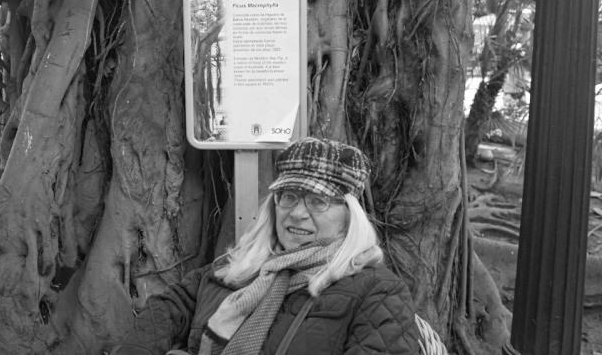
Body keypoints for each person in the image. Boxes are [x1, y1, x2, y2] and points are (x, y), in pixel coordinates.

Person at [107, 137, 420, 355]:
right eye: (289, 197)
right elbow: (168, 307)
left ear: (349, 216)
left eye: (318, 201)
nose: (297, 213)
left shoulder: (377, 291)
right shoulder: (242, 265)